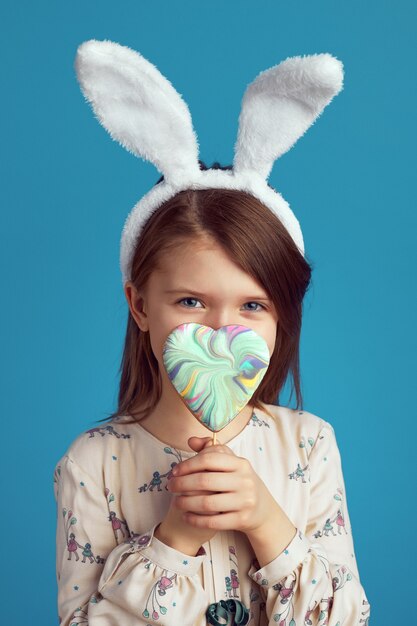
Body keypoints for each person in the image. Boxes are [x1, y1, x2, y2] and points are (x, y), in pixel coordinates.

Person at [53, 40, 371, 625]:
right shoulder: (93, 464)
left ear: (283, 316)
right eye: (191, 301)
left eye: (253, 305)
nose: (224, 330)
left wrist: (266, 520)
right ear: (140, 305)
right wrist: (173, 536)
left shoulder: (310, 447)